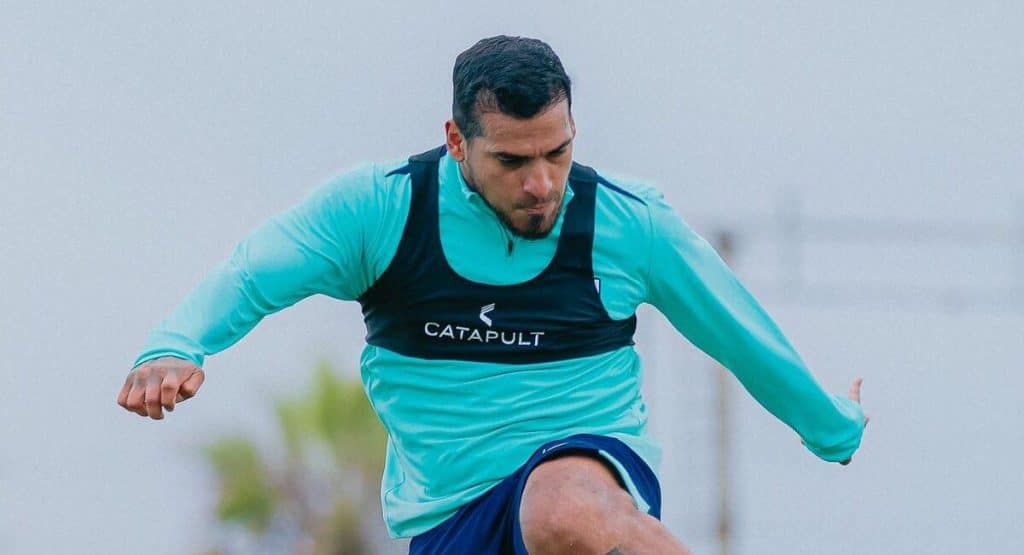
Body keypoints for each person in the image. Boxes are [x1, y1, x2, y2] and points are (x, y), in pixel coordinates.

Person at [117, 35, 868, 554]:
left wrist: (833, 426)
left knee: (564, 505)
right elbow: (253, 273)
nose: (542, 183)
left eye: (558, 152)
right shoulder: (379, 212)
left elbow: (736, 329)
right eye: (513, 161)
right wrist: (175, 345)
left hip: (586, 475)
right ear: (457, 141)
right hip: (449, 515)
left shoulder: (626, 223)